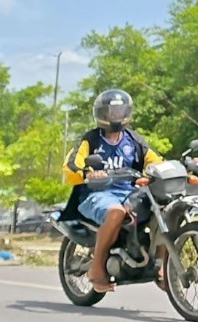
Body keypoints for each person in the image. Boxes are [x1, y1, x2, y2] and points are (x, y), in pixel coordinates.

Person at [60, 89, 163, 292]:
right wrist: (87, 173)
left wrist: (173, 170)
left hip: (130, 192)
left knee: (163, 207)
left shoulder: (134, 140)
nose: (116, 115)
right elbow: (71, 165)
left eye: (120, 110)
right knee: (116, 211)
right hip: (97, 194)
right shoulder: (91, 139)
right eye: (112, 111)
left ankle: (162, 265)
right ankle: (97, 268)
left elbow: (156, 161)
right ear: (102, 113)